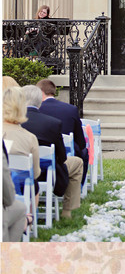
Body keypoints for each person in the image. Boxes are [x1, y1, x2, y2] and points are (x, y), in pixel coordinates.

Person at [19, 85, 83, 218]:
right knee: (77, 162)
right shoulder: (52, 123)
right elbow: (62, 156)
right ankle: (67, 211)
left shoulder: (14, 123)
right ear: (40, 102)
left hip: (18, 172)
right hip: (46, 173)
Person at [37, 79, 89, 186]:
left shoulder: (36, 110)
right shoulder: (71, 109)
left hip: (39, 155)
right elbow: (80, 141)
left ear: (40, 92)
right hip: (64, 155)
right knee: (84, 152)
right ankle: (78, 186)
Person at [3, 86, 41, 201]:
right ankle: (30, 217)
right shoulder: (30, 138)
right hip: (18, 190)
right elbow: (35, 173)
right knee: (34, 184)